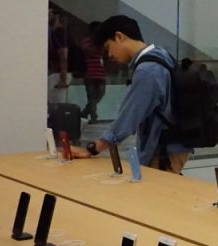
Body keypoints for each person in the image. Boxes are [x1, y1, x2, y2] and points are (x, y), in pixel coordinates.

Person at [70, 15, 192, 173]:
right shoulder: (160, 54)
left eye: (108, 48)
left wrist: (94, 148)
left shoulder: (147, 70)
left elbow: (130, 116)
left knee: (156, 194)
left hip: (163, 149)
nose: (110, 56)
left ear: (119, 37)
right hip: (172, 144)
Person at [79, 21, 107, 124]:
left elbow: (105, 54)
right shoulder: (87, 41)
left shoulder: (102, 42)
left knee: (100, 94)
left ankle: (85, 112)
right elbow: (88, 51)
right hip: (89, 73)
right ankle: (93, 116)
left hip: (100, 72)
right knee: (91, 96)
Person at [47, 7, 69, 103]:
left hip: (58, 74)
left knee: (57, 103)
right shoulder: (53, 32)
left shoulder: (59, 32)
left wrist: (63, 78)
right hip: (55, 72)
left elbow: (63, 56)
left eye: (49, 15)